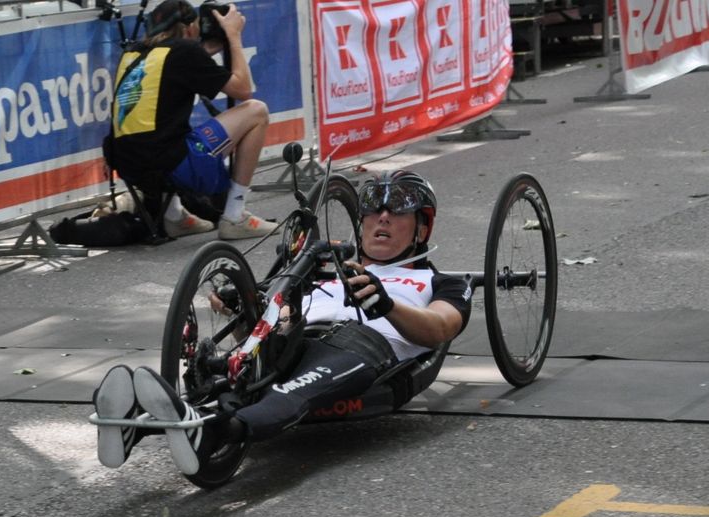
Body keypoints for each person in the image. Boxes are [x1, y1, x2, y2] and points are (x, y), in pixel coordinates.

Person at [92, 170, 472, 475]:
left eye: (399, 209)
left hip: (363, 345)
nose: (383, 216)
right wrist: (243, 313)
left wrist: (386, 304)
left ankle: (212, 436)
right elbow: (270, 326)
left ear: (422, 228)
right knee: (237, 376)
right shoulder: (327, 274)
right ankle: (132, 422)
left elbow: (440, 329)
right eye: (374, 208)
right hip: (297, 336)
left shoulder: (440, 282)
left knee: (290, 391)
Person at [105, 0, 278, 240]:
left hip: (130, 169)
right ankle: (235, 215)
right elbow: (243, 89)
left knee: (166, 128)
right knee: (257, 111)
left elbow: (178, 67)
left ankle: (174, 216)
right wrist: (233, 36)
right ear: (188, 29)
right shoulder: (184, 52)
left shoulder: (133, 54)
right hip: (170, 167)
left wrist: (206, 50)